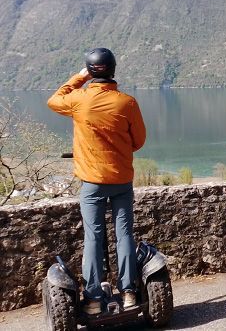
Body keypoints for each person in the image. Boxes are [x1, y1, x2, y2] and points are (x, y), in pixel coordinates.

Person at [47, 47, 146, 315]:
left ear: (90, 71)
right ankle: (128, 293)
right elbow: (138, 141)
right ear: (113, 69)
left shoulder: (79, 99)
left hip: (92, 183)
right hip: (121, 180)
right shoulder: (127, 103)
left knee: (93, 236)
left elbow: (54, 101)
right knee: (124, 235)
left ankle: (92, 300)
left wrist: (79, 77)